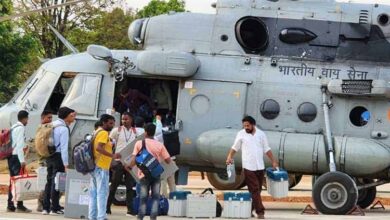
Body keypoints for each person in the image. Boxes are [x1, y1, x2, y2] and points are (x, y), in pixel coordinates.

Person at [226, 116, 278, 219]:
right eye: (244, 126)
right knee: (254, 189)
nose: (246, 127)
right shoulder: (241, 134)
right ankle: (260, 212)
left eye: (248, 125)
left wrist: (273, 161)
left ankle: (248, 210)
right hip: (248, 166)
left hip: (260, 166)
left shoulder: (261, 134)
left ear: (253, 124)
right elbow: (235, 147)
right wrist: (229, 157)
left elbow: (267, 149)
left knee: (258, 190)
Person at [128, 123, 171, 220]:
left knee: (143, 198)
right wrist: (157, 159)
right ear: (154, 132)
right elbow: (168, 161)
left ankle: (140, 217)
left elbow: (134, 159)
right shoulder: (160, 145)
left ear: (145, 132)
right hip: (156, 174)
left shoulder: (139, 143)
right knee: (155, 198)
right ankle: (153, 218)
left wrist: (129, 167)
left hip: (143, 174)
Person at [43, 107, 76, 215]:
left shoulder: (52, 124)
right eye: (72, 115)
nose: (73, 117)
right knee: (57, 182)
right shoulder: (63, 128)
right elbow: (64, 148)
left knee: (49, 181)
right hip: (58, 156)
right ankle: (55, 208)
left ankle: (46, 208)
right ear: (66, 116)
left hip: (49, 155)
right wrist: (66, 164)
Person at [89, 114, 121, 220]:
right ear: (104, 122)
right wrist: (112, 155)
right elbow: (99, 148)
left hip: (95, 166)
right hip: (101, 167)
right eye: (110, 123)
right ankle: (101, 217)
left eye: (113, 123)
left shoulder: (96, 132)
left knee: (94, 194)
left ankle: (92, 216)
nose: (112, 126)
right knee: (102, 193)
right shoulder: (103, 133)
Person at [107, 112, 137, 216]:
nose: (124, 121)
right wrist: (111, 158)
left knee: (130, 186)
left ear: (131, 120)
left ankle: (130, 210)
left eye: (126, 119)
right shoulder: (116, 131)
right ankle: (107, 207)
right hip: (118, 162)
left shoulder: (136, 132)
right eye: (123, 119)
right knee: (114, 185)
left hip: (130, 163)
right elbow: (109, 144)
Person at [7, 110, 31, 213]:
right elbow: (20, 145)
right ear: (25, 118)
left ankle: (10, 205)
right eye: (27, 119)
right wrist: (22, 160)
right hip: (17, 157)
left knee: (13, 181)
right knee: (19, 182)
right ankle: (20, 206)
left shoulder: (13, 127)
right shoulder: (20, 128)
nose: (28, 121)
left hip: (10, 156)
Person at [36, 110, 53, 212]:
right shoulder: (42, 128)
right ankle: (40, 204)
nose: (50, 120)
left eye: (51, 118)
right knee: (45, 184)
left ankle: (45, 203)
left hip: (44, 160)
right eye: (48, 118)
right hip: (43, 161)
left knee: (47, 184)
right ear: (43, 118)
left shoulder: (43, 128)